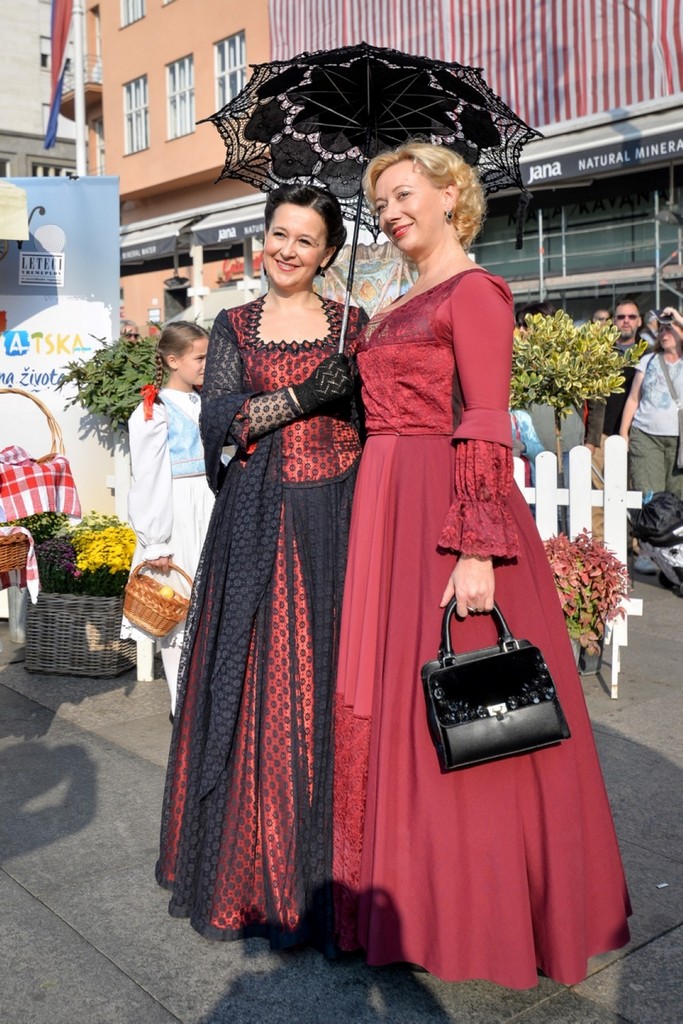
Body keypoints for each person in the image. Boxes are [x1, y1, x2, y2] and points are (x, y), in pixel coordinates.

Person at [333, 141, 631, 989]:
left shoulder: (475, 291)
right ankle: (411, 900)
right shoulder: (400, 297)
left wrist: (475, 549)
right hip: (385, 505)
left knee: (476, 711)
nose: (388, 213)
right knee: (398, 706)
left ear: (449, 193)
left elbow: (488, 423)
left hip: (441, 509)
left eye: (401, 195)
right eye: (378, 202)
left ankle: (483, 916)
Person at [155, 184, 368, 955]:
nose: (286, 250)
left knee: (321, 688)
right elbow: (223, 425)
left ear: (328, 254)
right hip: (254, 519)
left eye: (304, 241)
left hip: (335, 521)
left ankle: (328, 880)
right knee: (256, 688)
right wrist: (308, 393)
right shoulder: (232, 324)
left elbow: (376, 432)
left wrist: (350, 399)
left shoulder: (354, 325)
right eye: (278, 233)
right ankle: (253, 879)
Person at [122, 321, 214, 714]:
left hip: (207, 502)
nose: (207, 364)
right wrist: (156, 540)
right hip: (176, 510)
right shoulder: (152, 411)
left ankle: (207, 699)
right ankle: (183, 706)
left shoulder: (202, 401)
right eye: (200, 357)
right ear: (173, 360)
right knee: (176, 606)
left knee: (209, 602)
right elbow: (148, 477)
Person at [619, 305, 683, 502]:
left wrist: (678, 317)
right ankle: (649, 534)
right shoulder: (648, 360)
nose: (664, 333)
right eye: (661, 329)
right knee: (650, 498)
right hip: (646, 437)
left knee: (677, 499)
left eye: (670, 328)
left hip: (679, 442)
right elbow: (633, 399)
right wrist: (623, 434)